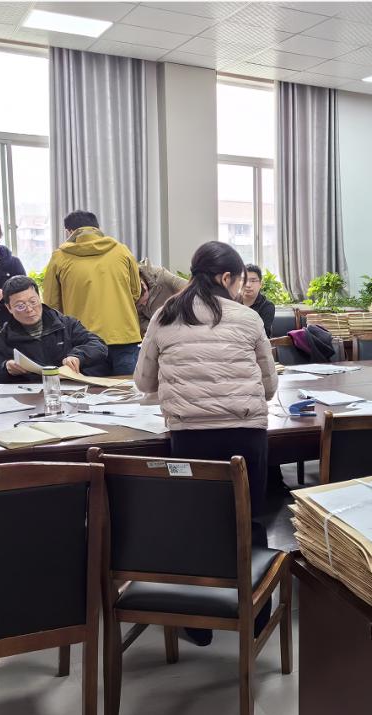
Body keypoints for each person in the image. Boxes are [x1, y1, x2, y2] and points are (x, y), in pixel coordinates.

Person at [134, 241, 277, 646]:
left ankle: (198, 622)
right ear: (226, 277)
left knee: (196, 524)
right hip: (246, 436)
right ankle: (256, 616)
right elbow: (269, 387)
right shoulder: (247, 318)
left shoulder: (165, 314)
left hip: (189, 437)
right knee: (249, 520)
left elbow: (143, 382)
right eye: (240, 281)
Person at [43, 211, 141, 376]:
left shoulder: (59, 257)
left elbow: (51, 304)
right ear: (97, 228)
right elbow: (136, 292)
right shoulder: (122, 250)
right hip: (125, 335)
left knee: (91, 390)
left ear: (69, 231)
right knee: (129, 388)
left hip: (85, 340)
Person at [0, 275, 107, 385]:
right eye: (20, 306)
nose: (29, 309)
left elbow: (98, 345)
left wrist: (78, 356)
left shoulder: (66, 324)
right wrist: (5, 368)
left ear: (39, 298)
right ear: (9, 308)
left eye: (33, 301)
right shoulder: (2, 339)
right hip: (30, 399)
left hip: (71, 393)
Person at [137, 263, 187, 337]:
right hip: (162, 335)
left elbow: (190, 288)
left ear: (145, 286)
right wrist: (159, 331)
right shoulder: (128, 296)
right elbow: (140, 320)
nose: (144, 305)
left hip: (184, 322)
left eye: (145, 301)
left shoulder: (161, 276)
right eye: (140, 304)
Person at [240, 264, 275, 338]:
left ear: (260, 284)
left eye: (253, 281)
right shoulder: (231, 302)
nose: (248, 285)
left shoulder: (267, 306)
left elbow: (263, 335)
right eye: (244, 280)